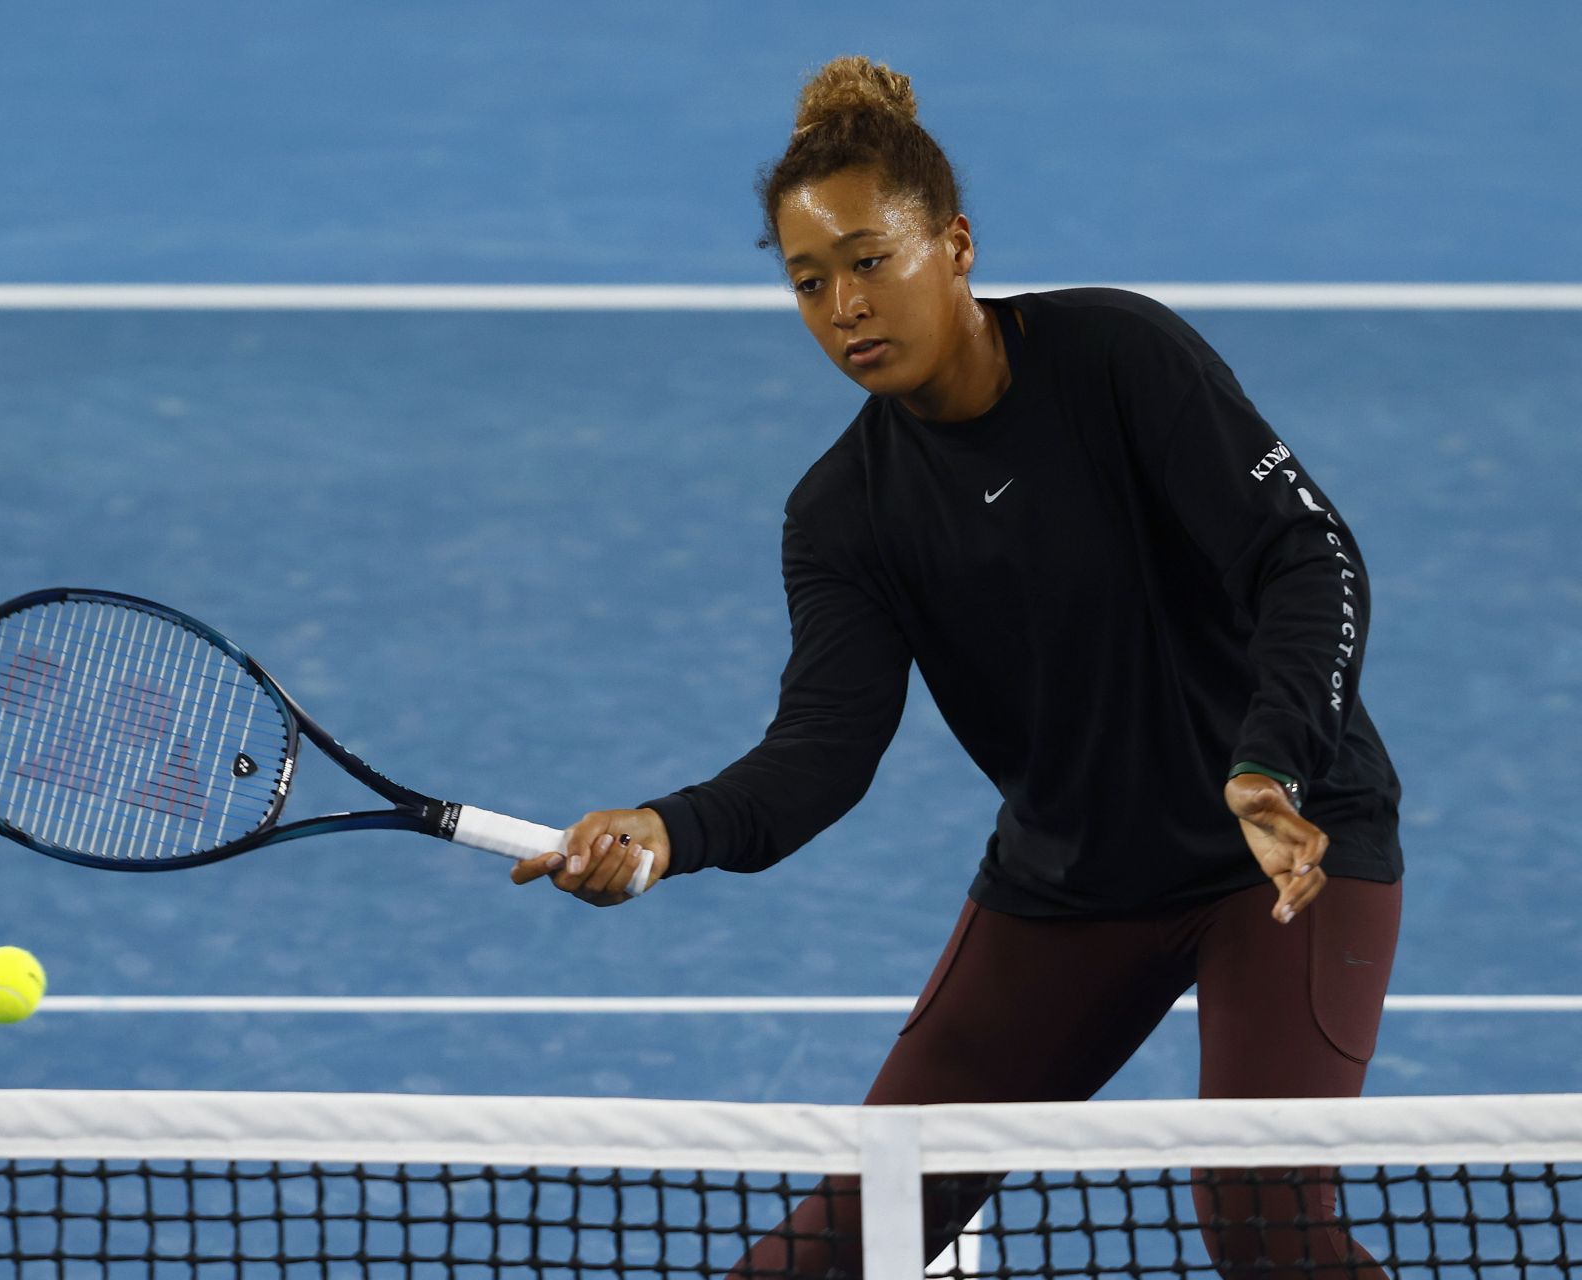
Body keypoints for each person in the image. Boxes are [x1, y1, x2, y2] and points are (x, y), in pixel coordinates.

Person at [512, 55, 1403, 1279]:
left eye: (871, 260)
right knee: (835, 1246)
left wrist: (1269, 762)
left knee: (1265, 1217)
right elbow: (821, 752)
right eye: (809, 281)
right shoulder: (843, 513)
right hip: (1075, 883)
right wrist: (667, 831)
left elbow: (1310, 557)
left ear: (957, 245)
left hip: (1288, 852)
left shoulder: (1119, 360)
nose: (844, 308)